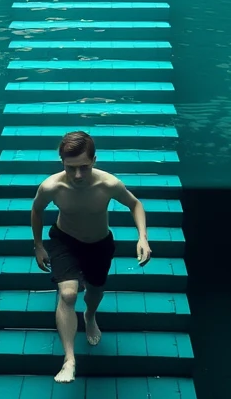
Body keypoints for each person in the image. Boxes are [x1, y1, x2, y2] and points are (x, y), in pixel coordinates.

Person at [31, 130, 152, 383]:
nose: (77, 175)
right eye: (70, 168)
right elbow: (37, 210)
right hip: (65, 240)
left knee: (95, 291)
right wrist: (39, 245)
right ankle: (69, 360)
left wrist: (142, 237)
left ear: (94, 160)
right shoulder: (52, 186)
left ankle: (89, 315)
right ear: (61, 162)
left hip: (99, 243)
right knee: (68, 294)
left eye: (84, 167)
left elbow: (135, 205)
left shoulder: (108, 184)